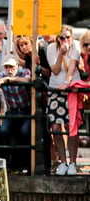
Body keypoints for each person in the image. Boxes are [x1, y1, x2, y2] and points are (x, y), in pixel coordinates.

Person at [47, 26, 81, 175]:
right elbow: (55, 70)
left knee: (71, 126)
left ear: (72, 37)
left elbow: (72, 66)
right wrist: (61, 53)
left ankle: (73, 162)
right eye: (62, 37)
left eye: (67, 37)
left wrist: (67, 83)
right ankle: (63, 162)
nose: (65, 40)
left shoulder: (76, 45)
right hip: (55, 88)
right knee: (55, 127)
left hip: (72, 88)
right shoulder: (50, 48)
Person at [0, 57, 32, 171]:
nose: (9, 69)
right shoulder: (1, 75)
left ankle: (25, 161)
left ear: (17, 66)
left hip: (26, 109)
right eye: (6, 67)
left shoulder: (24, 71)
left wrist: (8, 80)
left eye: (11, 67)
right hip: (12, 110)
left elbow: (27, 80)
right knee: (3, 130)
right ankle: (7, 160)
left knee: (25, 131)